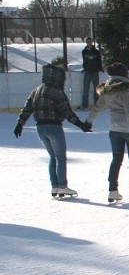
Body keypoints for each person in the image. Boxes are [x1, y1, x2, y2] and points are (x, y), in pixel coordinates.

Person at [13, 64, 92, 198]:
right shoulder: (56, 91)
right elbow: (67, 112)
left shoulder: (36, 90)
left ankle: (55, 187)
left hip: (40, 128)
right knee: (61, 158)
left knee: (53, 158)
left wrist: (20, 124)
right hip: (54, 128)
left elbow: (27, 109)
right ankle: (62, 186)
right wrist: (81, 125)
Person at [86, 62, 129, 204]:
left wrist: (89, 121)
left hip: (114, 130)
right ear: (124, 75)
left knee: (116, 160)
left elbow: (97, 107)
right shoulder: (126, 92)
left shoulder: (107, 92)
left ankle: (112, 191)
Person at [80, 37, 103, 110]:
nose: (89, 43)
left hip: (95, 72)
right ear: (86, 42)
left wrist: (100, 68)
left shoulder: (96, 51)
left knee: (97, 89)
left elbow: (99, 60)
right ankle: (85, 105)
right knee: (85, 90)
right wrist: (85, 68)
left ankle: (97, 105)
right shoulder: (84, 51)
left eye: (90, 41)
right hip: (87, 72)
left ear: (92, 42)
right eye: (88, 41)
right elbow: (84, 61)